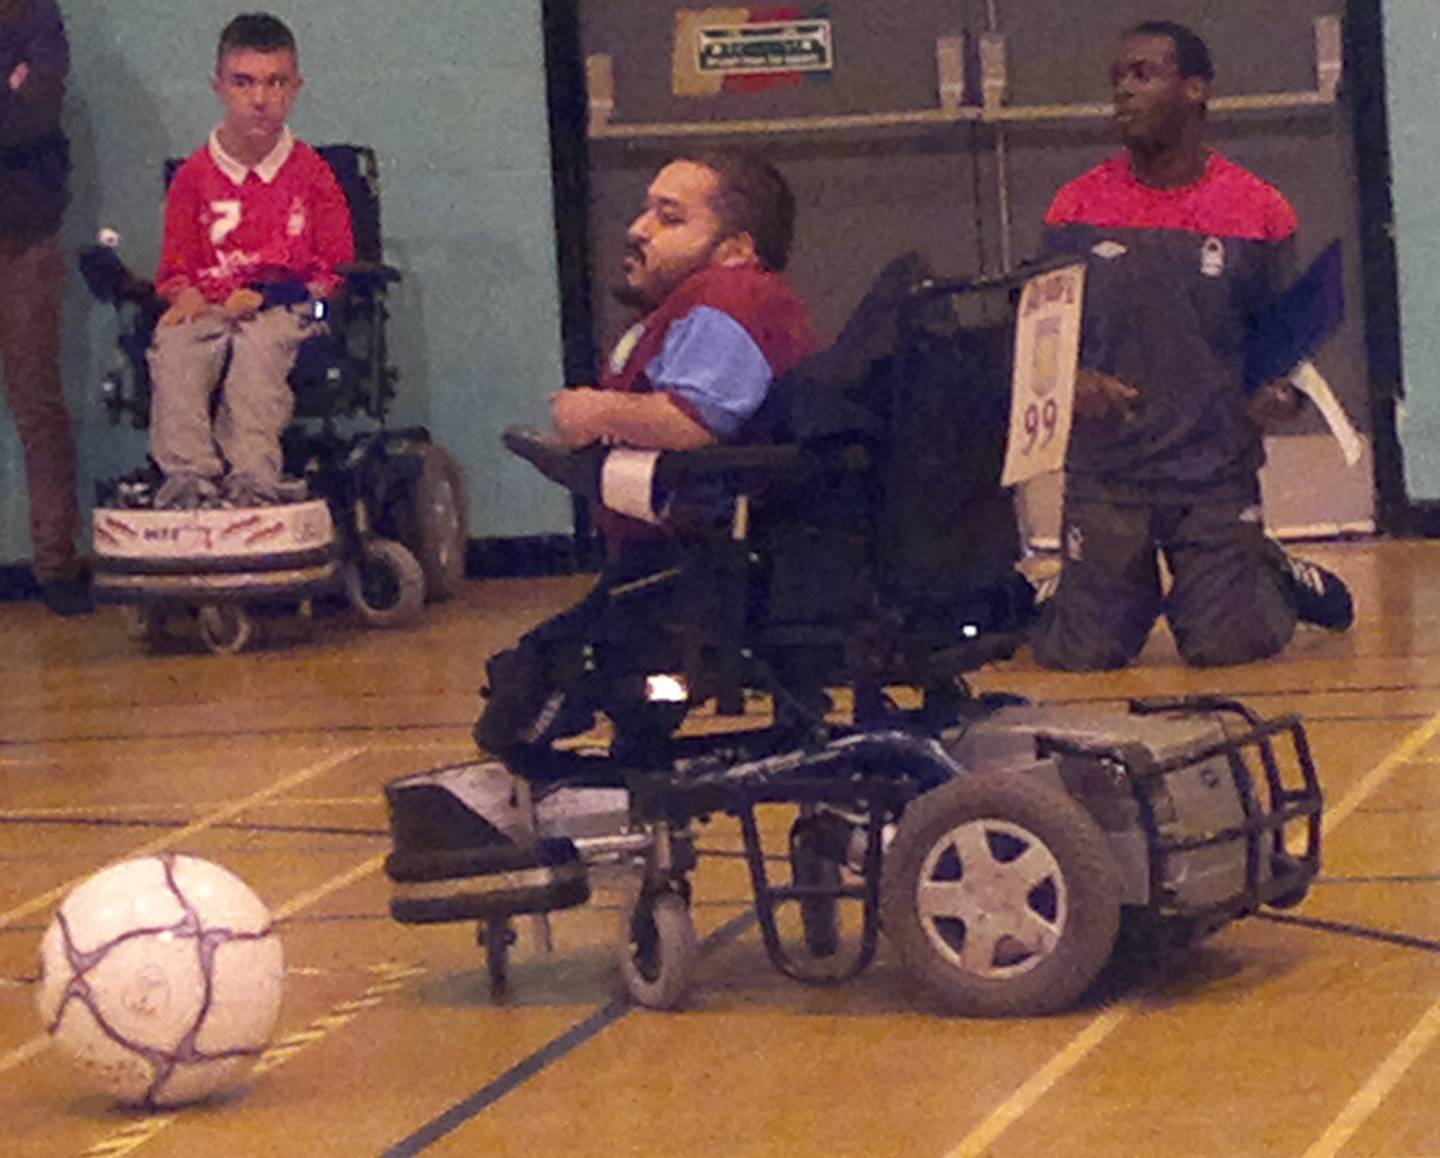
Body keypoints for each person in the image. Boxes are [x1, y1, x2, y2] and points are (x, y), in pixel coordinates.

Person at [474, 151, 815, 774]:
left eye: (669, 217)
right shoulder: (687, 309)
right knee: (623, 713)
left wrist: (596, 412)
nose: (639, 227)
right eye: (646, 208)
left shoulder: (731, 297)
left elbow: (693, 421)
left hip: (701, 573)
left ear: (735, 248)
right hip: (676, 567)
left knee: (522, 700)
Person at [1029, 19, 1354, 671]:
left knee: (1228, 649)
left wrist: (1280, 398)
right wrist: (1074, 382)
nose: (1123, 90)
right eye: (1118, 78)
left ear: (1196, 90)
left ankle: (1269, 569)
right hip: (1108, 475)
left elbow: (1281, 346)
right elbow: (1041, 342)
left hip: (1213, 473)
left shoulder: (1260, 209)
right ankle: (1084, 584)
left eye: (1143, 74)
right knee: (1080, 656)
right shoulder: (1074, 208)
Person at [147, 12, 353, 510]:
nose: (259, 98)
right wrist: (185, 294)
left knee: (259, 352)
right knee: (175, 346)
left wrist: (272, 295)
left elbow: (336, 269)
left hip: (285, 306)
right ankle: (189, 478)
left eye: (275, 83)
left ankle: (253, 481)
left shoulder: (312, 175)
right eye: (243, 83)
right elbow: (174, 269)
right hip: (214, 302)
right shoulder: (194, 179)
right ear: (219, 87)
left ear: (296, 88)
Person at [0, 0, 89, 614]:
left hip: (23, 234)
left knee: (36, 401)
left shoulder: (35, 14)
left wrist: (20, 97)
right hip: (25, 218)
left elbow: (33, 117)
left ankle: (57, 567)